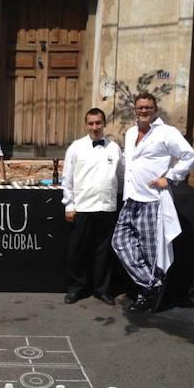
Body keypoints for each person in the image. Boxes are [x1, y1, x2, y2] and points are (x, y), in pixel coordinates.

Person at [111, 92, 194, 312]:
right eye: (140, 107)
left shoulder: (166, 133)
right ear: (135, 110)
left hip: (152, 200)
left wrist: (170, 178)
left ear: (155, 110)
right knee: (120, 241)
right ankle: (151, 283)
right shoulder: (131, 133)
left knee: (150, 251)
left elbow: (189, 155)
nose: (144, 111)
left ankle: (145, 295)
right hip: (131, 198)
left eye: (148, 107)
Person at [61, 108, 123, 306]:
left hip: (106, 207)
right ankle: (76, 289)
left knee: (104, 252)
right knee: (78, 250)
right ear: (86, 124)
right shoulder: (76, 147)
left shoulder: (114, 148)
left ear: (104, 124)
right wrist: (69, 205)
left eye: (98, 123)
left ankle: (102, 290)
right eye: (91, 123)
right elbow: (67, 178)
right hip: (82, 207)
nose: (95, 127)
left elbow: (121, 177)